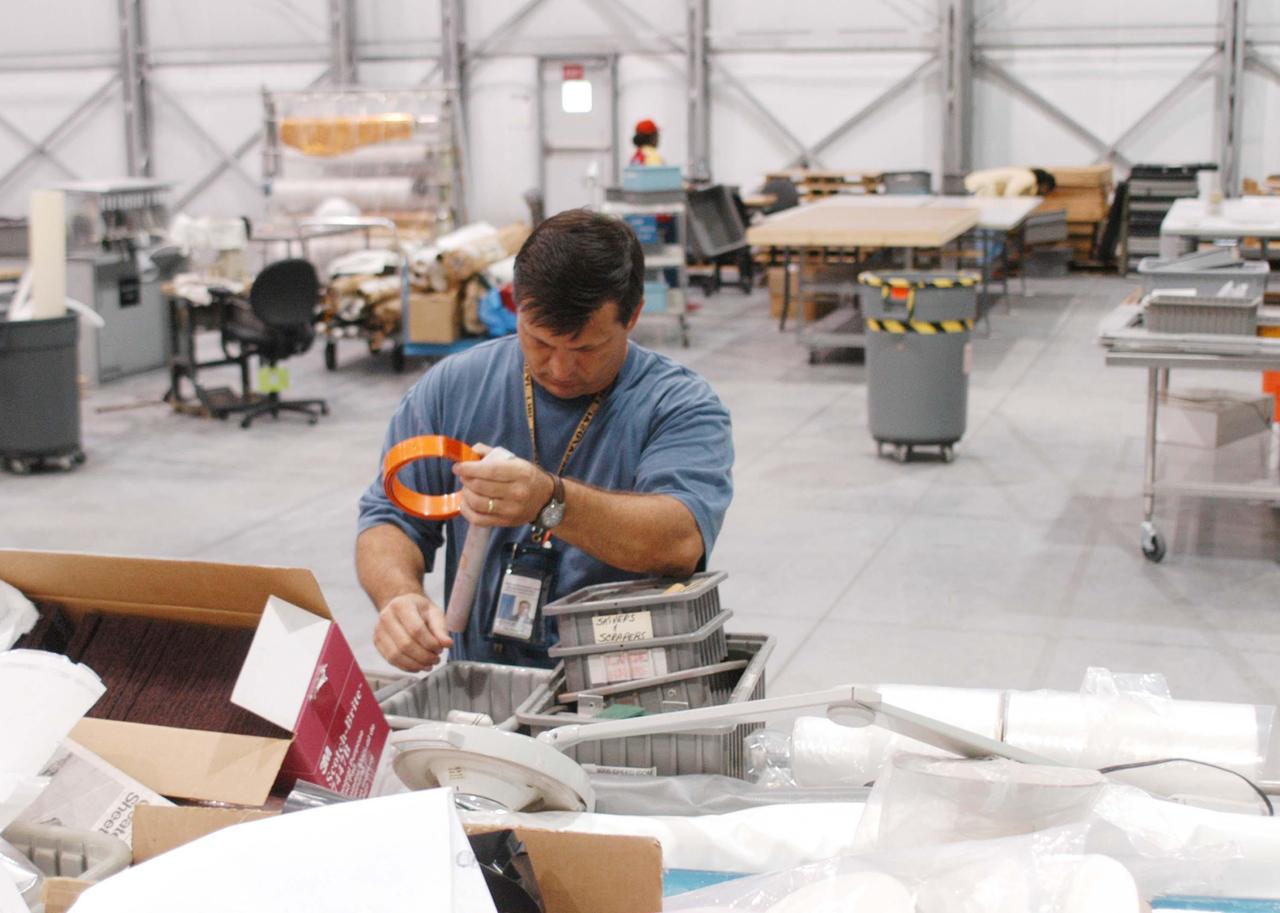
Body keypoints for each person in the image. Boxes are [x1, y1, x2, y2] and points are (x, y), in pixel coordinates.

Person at [356, 209, 733, 672]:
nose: (559, 369)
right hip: (484, 680)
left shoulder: (678, 405)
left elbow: (679, 542)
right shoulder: (454, 386)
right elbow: (389, 518)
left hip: (619, 686)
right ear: (515, 305)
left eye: (585, 349)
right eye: (539, 342)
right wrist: (399, 596)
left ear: (633, 316)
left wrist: (550, 502)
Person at [964, 166, 1056, 198]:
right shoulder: (1028, 177)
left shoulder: (1027, 177)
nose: (1045, 192)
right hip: (981, 185)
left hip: (978, 183)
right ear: (1045, 184)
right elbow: (1010, 193)